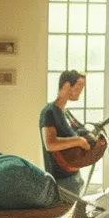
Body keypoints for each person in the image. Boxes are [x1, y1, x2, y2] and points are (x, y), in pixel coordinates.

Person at [41, 70, 94, 199]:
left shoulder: (66, 113)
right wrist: (79, 141)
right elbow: (50, 144)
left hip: (74, 175)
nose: (81, 90)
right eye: (79, 86)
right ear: (66, 86)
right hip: (61, 180)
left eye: (83, 87)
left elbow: (81, 131)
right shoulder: (49, 112)